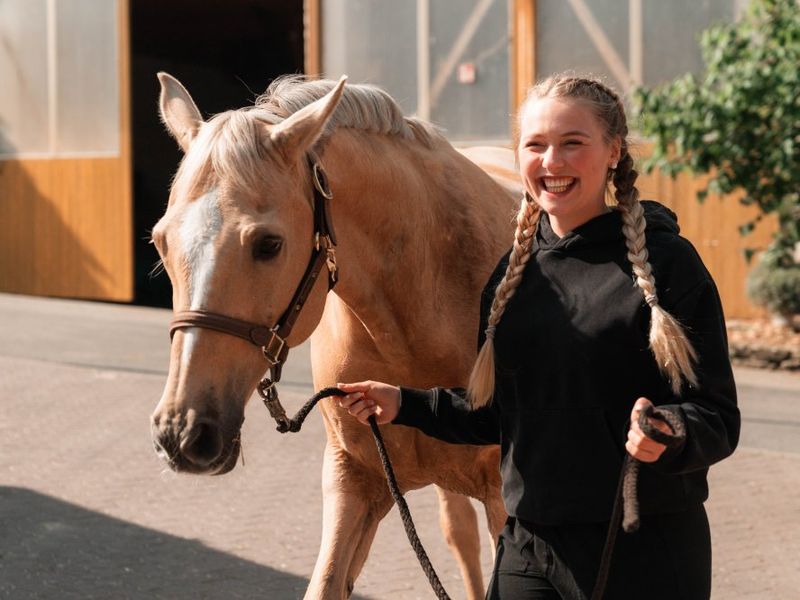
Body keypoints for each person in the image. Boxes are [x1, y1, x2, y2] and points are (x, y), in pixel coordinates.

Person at [338, 74, 739, 599]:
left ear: (614, 151)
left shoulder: (669, 266)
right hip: (530, 550)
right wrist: (403, 404)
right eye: (536, 145)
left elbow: (718, 416)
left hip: (644, 552)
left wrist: (669, 429)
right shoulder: (513, 274)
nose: (552, 162)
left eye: (573, 143)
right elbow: (499, 415)